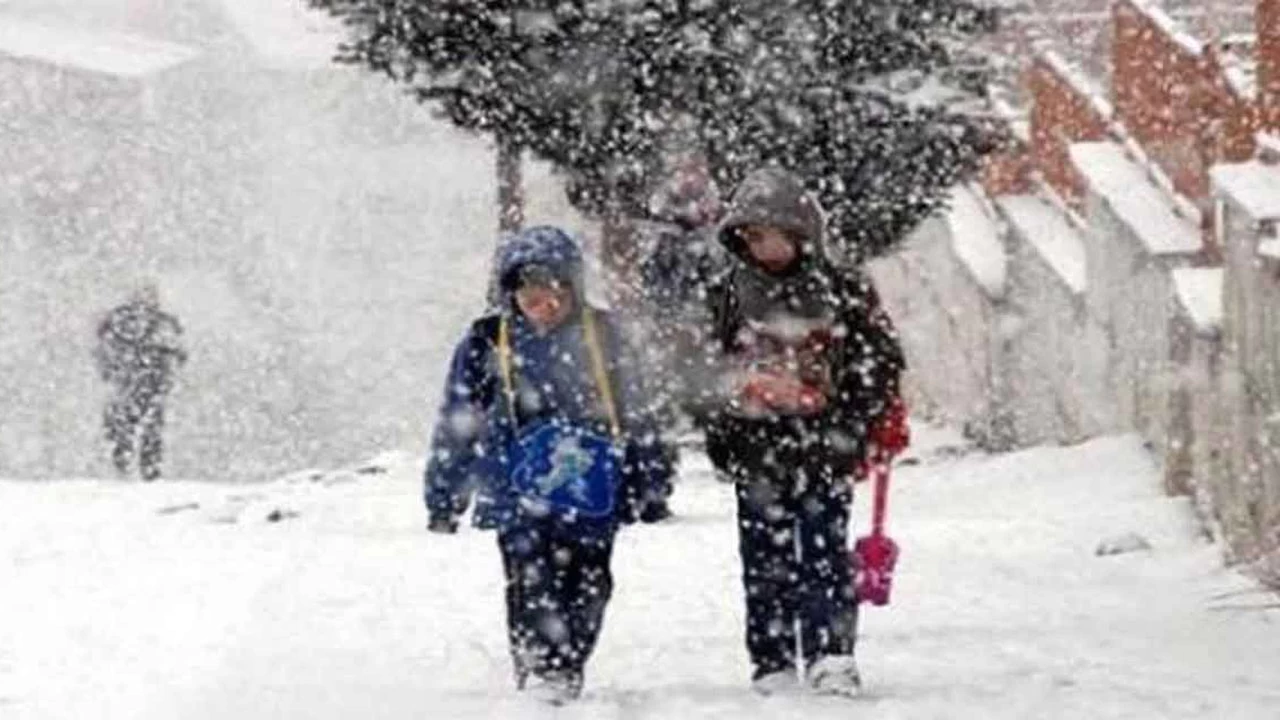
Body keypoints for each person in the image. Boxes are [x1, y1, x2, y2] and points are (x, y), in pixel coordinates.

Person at [424, 226, 672, 705]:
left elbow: (639, 410)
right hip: (517, 491)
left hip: (592, 490)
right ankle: (540, 662)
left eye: (555, 293)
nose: (544, 306)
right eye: (531, 295)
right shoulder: (485, 342)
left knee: (590, 579)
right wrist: (445, 494)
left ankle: (568, 658)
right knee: (529, 577)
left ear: (573, 289)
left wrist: (651, 479)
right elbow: (457, 421)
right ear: (511, 293)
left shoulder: (604, 336)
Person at [699, 168, 908, 697]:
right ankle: (771, 657)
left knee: (824, 551)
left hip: (826, 443)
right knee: (764, 557)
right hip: (757, 446)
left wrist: (863, 418)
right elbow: (707, 365)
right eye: (749, 237)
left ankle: (831, 652)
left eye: (767, 235)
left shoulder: (842, 289)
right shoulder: (729, 294)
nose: (759, 247)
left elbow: (877, 358)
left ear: (798, 232)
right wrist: (721, 426)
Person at [94, 284, 187, 481]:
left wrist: (109, 371)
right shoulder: (163, 322)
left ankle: (122, 468)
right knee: (150, 428)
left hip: (127, 382)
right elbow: (178, 352)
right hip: (151, 382)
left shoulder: (116, 320)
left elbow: (102, 349)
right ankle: (148, 471)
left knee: (122, 427)